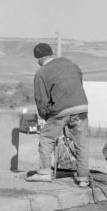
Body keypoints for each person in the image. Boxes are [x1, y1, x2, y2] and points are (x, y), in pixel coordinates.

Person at [26, 42, 90, 187]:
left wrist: (46, 116)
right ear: (51, 54)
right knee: (81, 142)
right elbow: (79, 80)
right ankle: (83, 179)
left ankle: (44, 173)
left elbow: (41, 99)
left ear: (38, 58)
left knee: (46, 138)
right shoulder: (70, 64)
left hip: (61, 109)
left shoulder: (41, 73)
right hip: (81, 106)